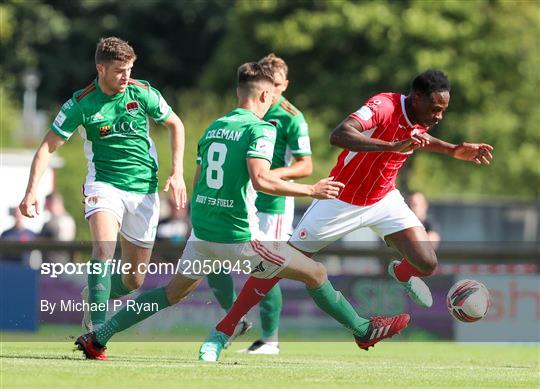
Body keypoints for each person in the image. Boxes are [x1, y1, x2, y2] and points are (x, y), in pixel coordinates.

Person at [75, 62, 408, 361]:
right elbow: (261, 180)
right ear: (264, 94)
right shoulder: (260, 129)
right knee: (317, 273)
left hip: (201, 236)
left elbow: (199, 180)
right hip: (241, 241)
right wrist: (311, 189)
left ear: (239, 92)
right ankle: (362, 330)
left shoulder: (214, 127)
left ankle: (99, 337)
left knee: (170, 293)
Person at [198, 69, 493, 361]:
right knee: (275, 267)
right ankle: (222, 332)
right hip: (340, 199)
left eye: (443, 111)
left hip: (383, 199)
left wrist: (453, 150)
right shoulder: (384, 105)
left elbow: (418, 138)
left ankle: (401, 272)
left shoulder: (421, 117)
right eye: (435, 109)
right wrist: (391, 147)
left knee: (427, 263)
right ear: (416, 97)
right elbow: (339, 134)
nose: (439, 116)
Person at [19, 37, 187, 332]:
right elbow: (47, 147)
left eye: (130, 69)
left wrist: (177, 172)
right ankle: (96, 331)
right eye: (120, 70)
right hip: (104, 186)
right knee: (104, 250)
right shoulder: (80, 104)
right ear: (100, 68)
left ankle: (94, 295)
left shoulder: (142, 92)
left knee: (134, 281)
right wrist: (32, 190)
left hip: (144, 190)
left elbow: (176, 124)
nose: (126, 77)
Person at [207, 53, 313, 355]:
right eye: (270, 84)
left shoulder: (292, 117)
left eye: (279, 85)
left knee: (267, 268)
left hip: (273, 204)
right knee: (212, 259)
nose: (274, 91)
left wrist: (269, 175)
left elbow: (305, 165)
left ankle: (270, 339)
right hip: (241, 200)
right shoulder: (248, 109)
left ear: (285, 84)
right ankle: (235, 318)